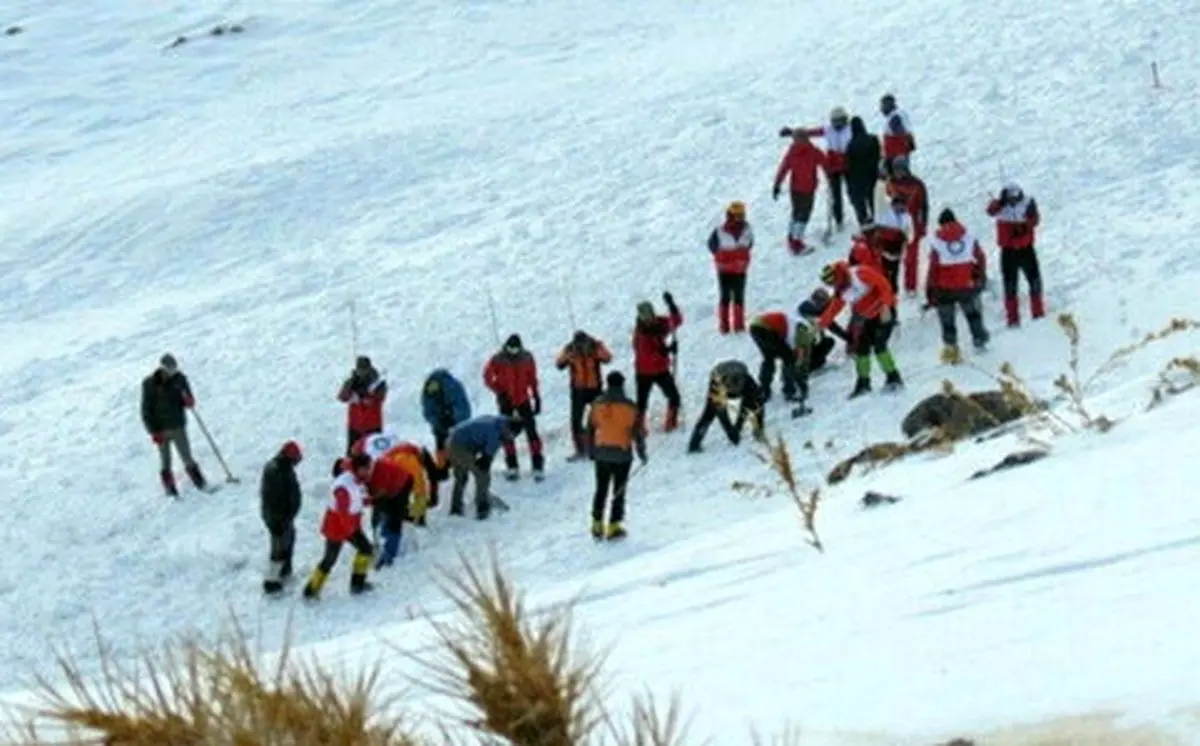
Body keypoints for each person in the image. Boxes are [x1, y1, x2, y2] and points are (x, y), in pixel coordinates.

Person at [816, 260, 904, 397]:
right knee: (861, 348)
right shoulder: (841, 290)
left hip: (884, 311)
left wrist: (886, 305)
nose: (833, 286)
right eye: (829, 284)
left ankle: (893, 377)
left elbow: (883, 284)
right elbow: (835, 308)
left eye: (832, 282)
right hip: (868, 317)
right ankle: (863, 382)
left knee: (880, 346)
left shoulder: (860, 273)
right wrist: (820, 324)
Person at [301, 452, 375, 600]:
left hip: (350, 525)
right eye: (365, 469)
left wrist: (368, 501)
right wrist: (349, 529)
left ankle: (357, 583)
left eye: (369, 468)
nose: (368, 471)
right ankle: (311, 590)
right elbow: (343, 510)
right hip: (337, 527)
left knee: (366, 549)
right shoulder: (343, 486)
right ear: (357, 468)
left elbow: (357, 498)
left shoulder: (356, 480)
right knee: (330, 559)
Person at [587, 371, 646, 540]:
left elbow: (590, 428)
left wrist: (591, 450)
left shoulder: (597, 404)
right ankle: (614, 525)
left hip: (601, 452)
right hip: (622, 454)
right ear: (622, 385)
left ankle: (597, 523)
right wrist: (642, 453)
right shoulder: (630, 406)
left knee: (600, 489)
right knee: (619, 490)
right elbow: (637, 433)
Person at [926, 208, 990, 362]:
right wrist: (980, 276)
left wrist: (930, 290)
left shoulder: (937, 241)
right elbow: (980, 257)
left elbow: (933, 269)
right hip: (966, 285)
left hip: (944, 289)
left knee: (947, 320)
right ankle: (979, 339)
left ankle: (952, 349)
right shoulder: (968, 237)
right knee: (972, 314)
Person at [140, 353, 208, 496]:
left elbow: (189, 399)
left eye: (174, 369)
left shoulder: (180, 380)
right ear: (162, 368)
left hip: (178, 426)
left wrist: (189, 401)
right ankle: (170, 489)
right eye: (169, 370)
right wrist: (153, 431)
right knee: (166, 461)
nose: (172, 373)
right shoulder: (149, 384)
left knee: (187, 456)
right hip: (161, 430)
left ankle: (200, 483)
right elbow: (146, 410)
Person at [483, 334, 544, 481]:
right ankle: (512, 466)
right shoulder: (498, 359)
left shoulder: (527, 358)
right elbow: (487, 376)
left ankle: (537, 464)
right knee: (507, 434)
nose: (513, 352)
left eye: (516, 349)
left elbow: (532, 378)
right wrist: (499, 390)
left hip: (523, 399)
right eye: (510, 349)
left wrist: (536, 396)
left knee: (531, 432)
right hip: (506, 401)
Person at [986, 182, 1043, 327]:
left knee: (1034, 281)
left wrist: (1023, 227)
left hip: (1026, 249)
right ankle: (1012, 320)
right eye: (1009, 198)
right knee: (1010, 285)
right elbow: (990, 211)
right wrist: (998, 204)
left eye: (1015, 198)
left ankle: (1038, 314)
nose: (1012, 201)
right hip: (1008, 251)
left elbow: (1035, 219)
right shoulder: (999, 206)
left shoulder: (1028, 203)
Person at [790, 107, 853, 232]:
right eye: (836, 121)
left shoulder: (851, 130)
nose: (838, 124)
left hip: (848, 165)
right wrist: (792, 132)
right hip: (833, 167)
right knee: (835, 195)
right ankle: (838, 220)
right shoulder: (828, 130)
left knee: (852, 191)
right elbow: (809, 133)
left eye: (840, 121)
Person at [445, 415, 518, 520]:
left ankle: (456, 508)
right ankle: (482, 507)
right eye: (511, 435)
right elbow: (486, 461)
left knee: (461, 476)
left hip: (452, 441)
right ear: (508, 428)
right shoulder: (495, 434)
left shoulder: (495, 422)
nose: (511, 438)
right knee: (482, 475)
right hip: (460, 446)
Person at [555, 330, 613, 460]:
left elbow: (608, 358)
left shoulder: (596, 346)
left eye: (583, 345)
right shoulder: (570, 349)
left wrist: (597, 350)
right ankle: (580, 449)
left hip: (595, 389)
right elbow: (559, 364)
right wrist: (569, 356)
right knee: (576, 421)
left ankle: (599, 445)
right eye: (578, 345)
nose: (581, 348)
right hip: (578, 390)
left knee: (598, 419)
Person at [687, 361, 766, 453]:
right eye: (731, 389)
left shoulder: (749, 384)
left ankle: (742, 428)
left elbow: (759, 406)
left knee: (751, 402)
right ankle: (694, 444)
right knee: (709, 413)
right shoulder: (717, 385)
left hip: (740, 380)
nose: (734, 392)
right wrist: (731, 433)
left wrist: (759, 428)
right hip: (720, 376)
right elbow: (722, 414)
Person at [632, 293, 684, 433]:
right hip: (644, 372)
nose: (649, 319)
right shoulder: (640, 335)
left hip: (661, 369)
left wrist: (672, 307)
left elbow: (675, 321)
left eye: (650, 315)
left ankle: (671, 423)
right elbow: (647, 356)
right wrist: (666, 350)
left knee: (674, 396)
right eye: (646, 317)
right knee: (642, 401)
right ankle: (640, 426)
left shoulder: (659, 323)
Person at [772, 129, 827, 255]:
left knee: (796, 213)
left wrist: (777, 184)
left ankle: (792, 237)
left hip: (795, 189)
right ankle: (797, 243)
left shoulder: (793, 151)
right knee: (803, 215)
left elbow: (784, 168)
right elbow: (824, 162)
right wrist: (830, 173)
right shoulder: (812, 151)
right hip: (807, 189)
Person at [420, 368, 470, 504]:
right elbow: (427, 411)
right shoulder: (428, 393)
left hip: (456, 423)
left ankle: (459, 467)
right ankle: (442, 468)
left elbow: (463, 407)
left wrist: (455, 421)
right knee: (440, 444)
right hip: (440, 423)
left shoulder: (453, 388)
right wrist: (437, 422)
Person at [260, 440, 302, 595]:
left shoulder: (282, 467)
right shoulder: (277, 471)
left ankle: (284, 571)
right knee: (279, 548)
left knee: (287, 541)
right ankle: (271, 581)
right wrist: (278, 520)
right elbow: (273, 499)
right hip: (278, 518)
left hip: (283, 517)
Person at [884, 156, 930, 296]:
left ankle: (910, 286)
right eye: (896, 169)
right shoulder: (890, 183)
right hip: (895, 226)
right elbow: (885, 201)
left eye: (901, 169)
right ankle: (890, 285)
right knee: (891, 257)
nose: (898, 172)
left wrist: (923, 226)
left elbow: (924, 206)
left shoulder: (917, 184)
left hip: (912, 225)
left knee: (911, 258)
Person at [706, 200, 754, 334]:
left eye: (742, 215)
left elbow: (750, 243)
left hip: (740, 269)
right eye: (738, 215)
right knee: (725, 297)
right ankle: (724, 326)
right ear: (731, 215)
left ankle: (739, 326)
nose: (741, 218)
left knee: (739, 297)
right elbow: (712, 246)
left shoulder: (747, 229)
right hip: (725, 270)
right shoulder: (720, 231)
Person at [747, 309, 804, 402]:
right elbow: (790, 351)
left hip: (754, 327)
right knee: (788, 357)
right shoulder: (795, 331)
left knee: (769, 358)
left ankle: (764, 389)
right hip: (765, 329)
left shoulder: (792, 321)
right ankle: (789, 390)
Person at [337, 356, 387, 454]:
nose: (361, 372)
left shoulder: (377, 383)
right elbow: (342, 397)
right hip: (354, 427)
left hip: (373, 427)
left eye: (364, 369)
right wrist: (349, 390)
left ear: (369, 368)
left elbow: (380, 397)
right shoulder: (351, 382)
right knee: (352, 456)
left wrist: (365, 394)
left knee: (374, 455)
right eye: (360, 369)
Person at [845, 116, 882, 227]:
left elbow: (849, 164)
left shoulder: (850, 145)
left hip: (857, 179)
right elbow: (879, 156)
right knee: (873, 200)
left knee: (860, 203)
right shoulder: (873, 139)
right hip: (873, 175)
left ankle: (864, 223)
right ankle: (878, 221)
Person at [874, 193, 914, 293]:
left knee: (894, 269)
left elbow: (910, 233)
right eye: (897, 205)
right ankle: (883, 288)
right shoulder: (884, 213)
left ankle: (893, 289)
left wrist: (906, 238)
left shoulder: (907, 217)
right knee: (884, 268)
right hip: (885, 245)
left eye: (902, 205)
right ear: (893, 205)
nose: (900, 207)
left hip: (897, 247)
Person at [797, 288, 845, 372]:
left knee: (828, 342)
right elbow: (832, 326)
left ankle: (813, 363)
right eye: (823, 303)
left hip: (809, 344)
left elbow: (832, 325)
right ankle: (807, 367)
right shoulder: (807, 310)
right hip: (802, 348)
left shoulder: (814, 310)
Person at [879, 93, 916, 174]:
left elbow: (901, 135)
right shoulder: (900, 113)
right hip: (900, 154)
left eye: (882, 106)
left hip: (895, 156)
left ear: (889, 105)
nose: (881, 109)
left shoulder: (894, 118)